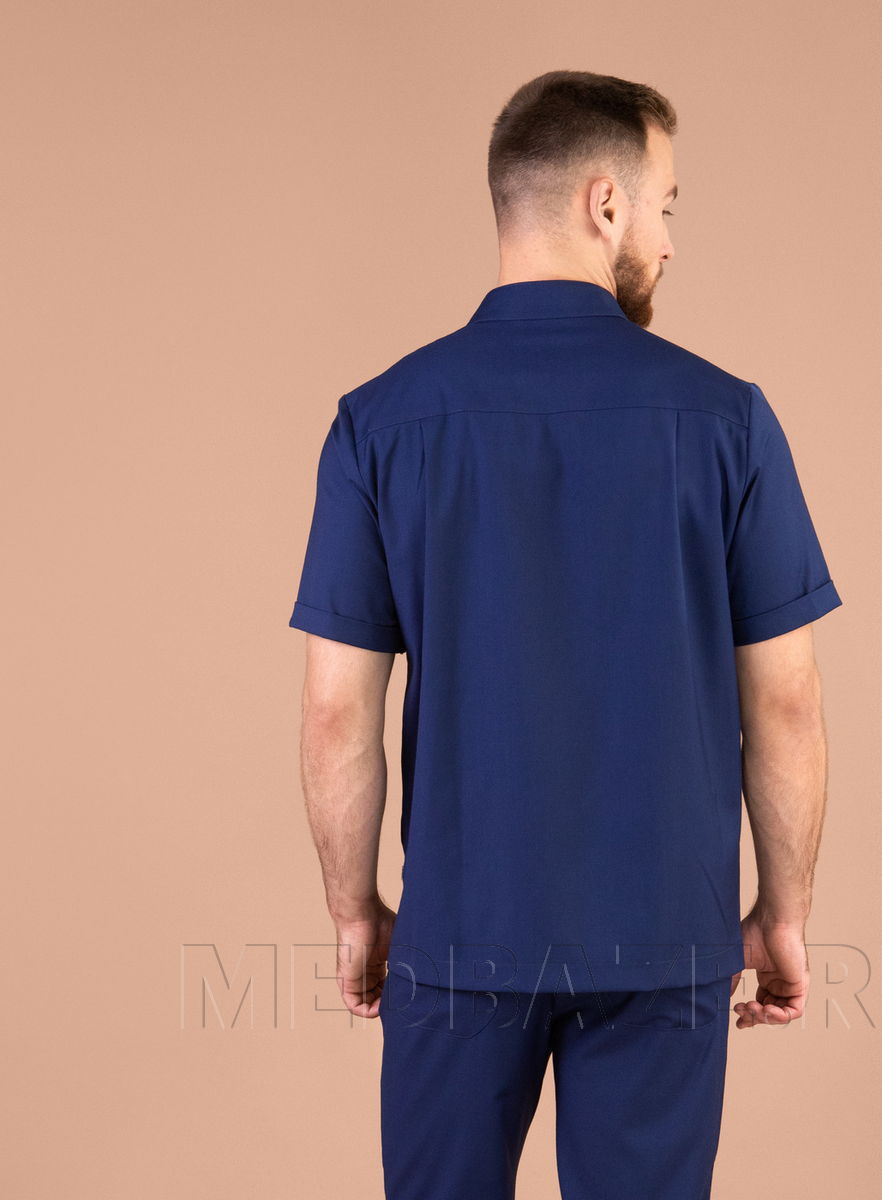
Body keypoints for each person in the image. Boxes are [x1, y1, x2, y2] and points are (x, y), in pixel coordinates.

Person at [288, 69, 842, 1200]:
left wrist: (355, 911)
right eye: (666, 207)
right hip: (664, 934)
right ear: (606, 203)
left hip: (463, 931)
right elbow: (784, 701)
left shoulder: (379, 423)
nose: (670, 243)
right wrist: (783, 913)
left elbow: (337, 708)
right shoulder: (728, 419)